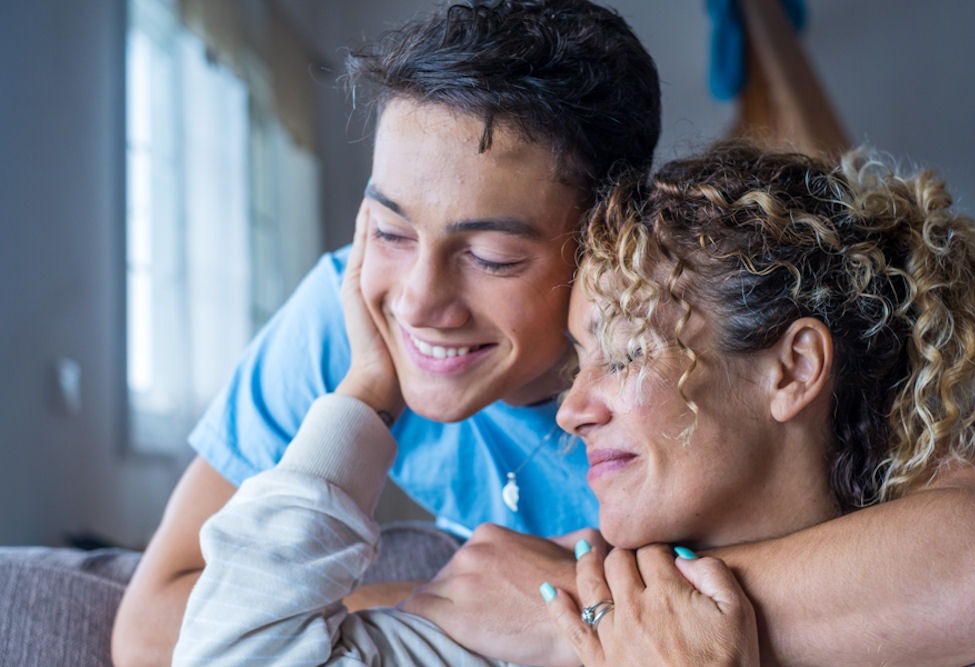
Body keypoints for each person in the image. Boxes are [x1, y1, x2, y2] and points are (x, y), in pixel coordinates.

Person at [172, 141, 975, 666]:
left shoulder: (955, 628)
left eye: (627, 350)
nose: (570, 411)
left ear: (791, 369)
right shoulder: (498, 615)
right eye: (579, 360)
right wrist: (362, 393)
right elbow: (226, 651)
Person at [112, 1, 661, 664]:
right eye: (392, 232)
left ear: (608, 241)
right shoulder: (353, 316)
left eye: (491, 256)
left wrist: (572, 608)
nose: (420, 301)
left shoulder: (686, 368)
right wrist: (438, 606)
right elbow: (147, 629)